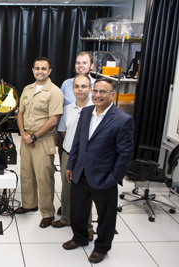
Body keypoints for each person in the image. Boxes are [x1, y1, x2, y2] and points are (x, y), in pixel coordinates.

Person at [62, 78, 134, 264]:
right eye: (96, 91)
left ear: (112, 95)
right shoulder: (86, 112)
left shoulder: (122, 120)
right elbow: (78, 141)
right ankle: (79, 238)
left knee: (106, 216)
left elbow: (124, 155)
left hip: (104, 177)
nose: (98, 95)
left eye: (103, 92)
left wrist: (114, 178)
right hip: (81, 172)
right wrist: (71, 165)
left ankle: (102, 247)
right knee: (77, 210)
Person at [15, 57, 64, 228]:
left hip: (43, 140)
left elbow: (53, 120)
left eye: (44, 68)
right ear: (33, 70)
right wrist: (23, 134)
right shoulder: (27, 89)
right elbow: (20, 113)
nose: (40, 71)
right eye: (37, 68)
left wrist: (33, 137)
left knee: (44, 178)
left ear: (49, 71)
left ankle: (48, 213)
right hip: (26, 139)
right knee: (26, 174)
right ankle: (29, 204)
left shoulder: (55, 92)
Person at [52, 75, 94, 240]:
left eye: (84, 86)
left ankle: (87, 226)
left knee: (85, 192)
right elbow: (63, 131)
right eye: (77, 86)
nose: (80, 89)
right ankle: (66, 218)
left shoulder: (96, 110)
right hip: (68, 154)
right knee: (66, 188)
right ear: (73, 89)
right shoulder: (68, 109)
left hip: (87, 158)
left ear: (90, 88)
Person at [56, 51, 96, 216]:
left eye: (84, 63)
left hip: (89, 148)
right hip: (68, 140)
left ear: (91, 66)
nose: (81, 66)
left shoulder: (98, 86)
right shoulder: (66, 84)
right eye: (78, 63)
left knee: (85, 185)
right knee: (67, 180)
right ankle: (66, 211)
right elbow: (62, 116)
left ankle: (84, 221)